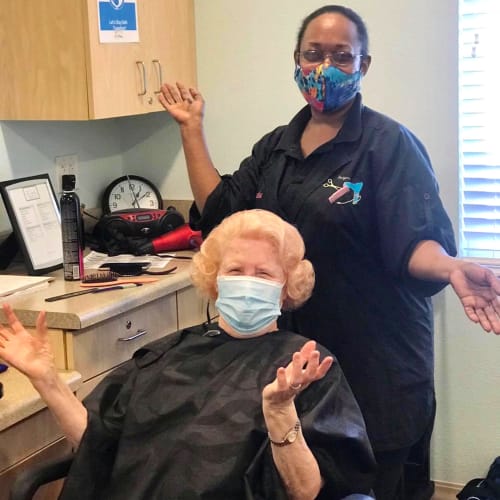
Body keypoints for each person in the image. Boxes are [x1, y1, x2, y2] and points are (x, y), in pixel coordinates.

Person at [158, 4, 500, 499]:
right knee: (301, 479)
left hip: (374, 364)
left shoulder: (388, 146)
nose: (325, 68)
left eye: (341, 57)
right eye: (313, 54)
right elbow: (221, 213)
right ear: (295, 60)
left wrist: (450, 267)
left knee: (371, 481)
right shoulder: (276, 147)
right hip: (291, 361)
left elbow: (413, 241)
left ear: (363, 66)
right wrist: (191, 128)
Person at [0, 209, 376, 500]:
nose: (247, 282)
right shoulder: (165, 355)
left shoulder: (307, 368)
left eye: (263, 274)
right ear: (215, 281)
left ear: (286, 288)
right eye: (235, 270)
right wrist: (46, 378)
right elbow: (97, 445)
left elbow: (305, 491)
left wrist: (280, 414)